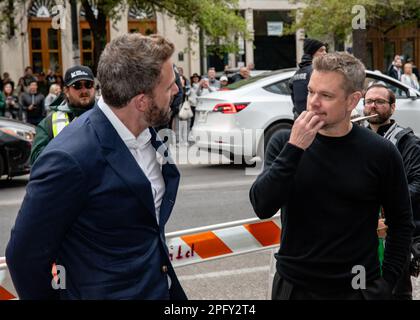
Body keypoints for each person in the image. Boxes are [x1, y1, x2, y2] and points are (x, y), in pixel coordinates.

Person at [6, 33, 187, 300]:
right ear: (142, 100)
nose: (176, 91)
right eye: (170, 85)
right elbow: (24, 257)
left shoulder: (149, 133)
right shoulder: (69, 158)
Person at [249, 52, 414, 300]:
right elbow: (262, 205)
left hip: (357, 289)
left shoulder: (381, 152)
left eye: (326, 95)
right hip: (294, 287)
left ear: (352, 101)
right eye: (311, 91)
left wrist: (385, 284)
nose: (313, 102)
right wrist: (295, 149)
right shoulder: (285, 141)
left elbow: (401, 225)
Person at [363, 82, 420, 299]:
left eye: (379, 101)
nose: (373, 106)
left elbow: (418, 183)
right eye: (369, 102)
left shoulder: (408, 143)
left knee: (397, 290)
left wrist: (388, 208)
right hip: (365, 234)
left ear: (393, 107)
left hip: (393, 231)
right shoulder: (358, 138)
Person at [30, 65, 96, 164]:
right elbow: (36, 160)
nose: (84, 90)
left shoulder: (109, 115)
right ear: (66, 91)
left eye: (88, 84)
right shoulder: (49, 123)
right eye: (77, 85)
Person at [289, 38, 327, 118]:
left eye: (325, 50)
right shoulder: (316, 72)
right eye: (321, 50)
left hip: (301, 118)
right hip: (314, 119)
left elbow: (294, 98)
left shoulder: (297, 73)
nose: (325, 53)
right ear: (312, 52)